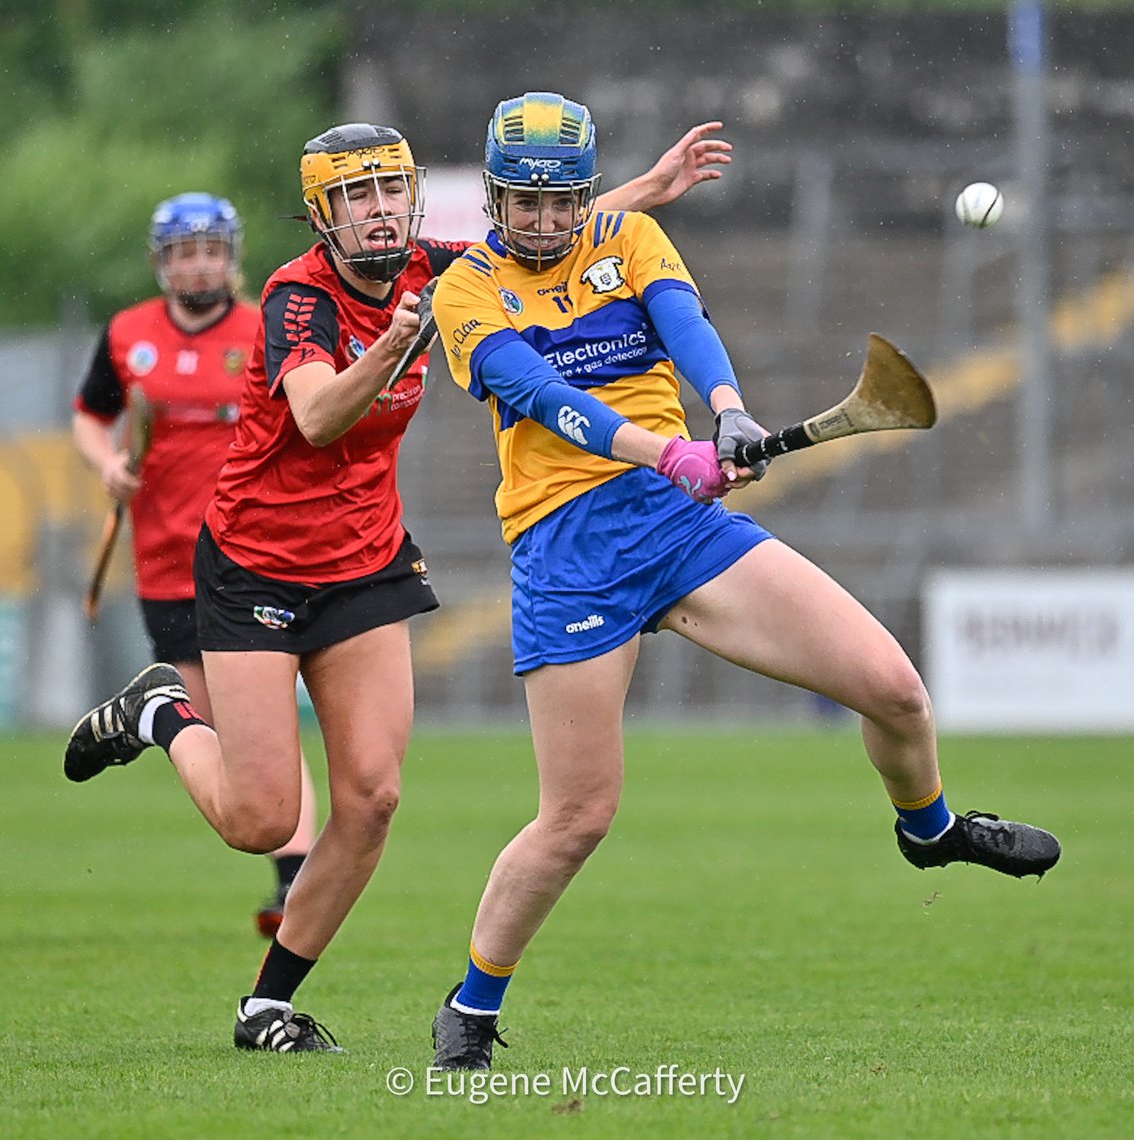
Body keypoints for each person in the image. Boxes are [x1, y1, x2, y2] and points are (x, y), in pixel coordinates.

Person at [62, 120, 738, 1053]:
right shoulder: (296, 297)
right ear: (322, 214)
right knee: (262, 823)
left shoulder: (430, 267)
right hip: (257, 564)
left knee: (372, 801)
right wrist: (389, 348)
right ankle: (162, 715)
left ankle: (268, 1005)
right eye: (354, 196)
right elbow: (317, 416)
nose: (377, 212)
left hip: (366, 561)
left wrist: (646, 190)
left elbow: (537, 246)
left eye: (389, 191)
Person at [428, 90, 1062, 1071]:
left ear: (587, 195)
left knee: (895, 690)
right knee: (579, 814)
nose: (545, 221)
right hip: (569, 552)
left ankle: (929, 832)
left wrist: (724, 411)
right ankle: (471, 1008)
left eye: (563, 202)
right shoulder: (465, 293)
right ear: (497, 202)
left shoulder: (628, 238)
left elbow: (683, 323)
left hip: (682, 529)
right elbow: (544, 400)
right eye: (525, 203)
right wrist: (661, 448)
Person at [71, 192, 317, 938]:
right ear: (162, 263)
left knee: (271, 726)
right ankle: (159, 717)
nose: (198, 263)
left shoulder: (263, 329)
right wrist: (108, 462)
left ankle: (293, 887)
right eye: (183, 252)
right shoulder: (127, 335)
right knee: (226, 729)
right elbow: (91, 414)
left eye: (210, 249)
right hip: (170, 565)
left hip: (265, 557)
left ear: (232, 256)